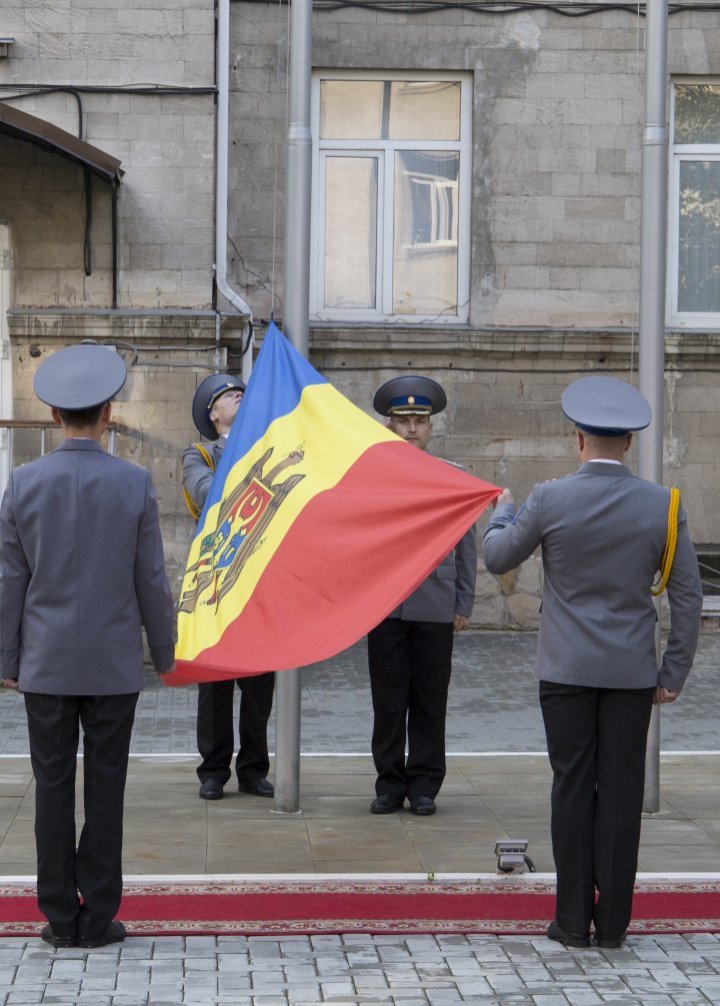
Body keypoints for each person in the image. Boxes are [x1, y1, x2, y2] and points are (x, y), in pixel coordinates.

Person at [483, 375, 703, 949]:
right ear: (629, 443)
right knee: (623, 793)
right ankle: (613, 927)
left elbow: (498, 556)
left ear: (577, 439)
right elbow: (687, 601)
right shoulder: (664, 504)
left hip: (566, 673)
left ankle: (572, 920)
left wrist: (500, 514)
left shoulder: (550, 497)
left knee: (572, 788)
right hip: (633, 675)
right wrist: (673, 672)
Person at [0, 344, 175, 949]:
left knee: (50, 790)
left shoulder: (22, 483)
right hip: (111, 665)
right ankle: (98, 914)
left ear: (54, 417)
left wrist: (5, 658)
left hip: (45, 665)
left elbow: (9, 581)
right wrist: (166, 651)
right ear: (108, 414)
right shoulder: (133, 483)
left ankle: (57, 915)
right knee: (106, 788)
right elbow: (151, 578)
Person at [367, 375, 477, 818]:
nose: (412, 428)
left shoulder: (452, 478)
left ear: (431, 427)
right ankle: (390, 783)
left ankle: (426, 783)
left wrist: (463, 602)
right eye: (403, 420)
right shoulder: (373, 478)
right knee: (388, 700)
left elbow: (466, 544)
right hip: (386, 606)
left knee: (430, 698)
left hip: (434, 603)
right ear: (389, 425)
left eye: (419, 421)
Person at [182, 373, 275, 801]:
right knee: (215, 687)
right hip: (216, 585)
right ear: (213, 414)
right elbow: (208, 495)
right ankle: (214, 770)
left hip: (256, 582)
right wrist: (238, 448)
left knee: (259, 685)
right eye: (226, 397)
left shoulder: (268, 450)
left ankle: (254, 769)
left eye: (241, 392)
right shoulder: (198, 454)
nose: (238, 396)